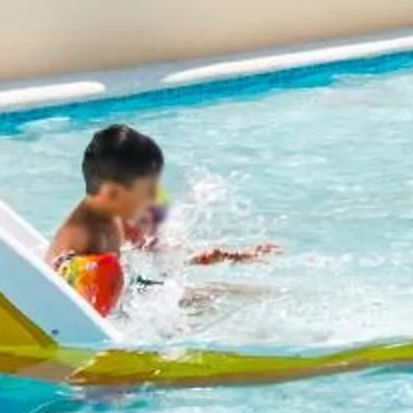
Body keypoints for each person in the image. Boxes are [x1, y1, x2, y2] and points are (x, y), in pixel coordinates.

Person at [46, 123, 269, 316]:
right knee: (214, 303)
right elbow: (68, 303)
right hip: (98, 298)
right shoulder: (89, 234)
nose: (153, 197)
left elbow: (162, 257)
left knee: (221, 294)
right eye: (147, 189)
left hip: (129, 292)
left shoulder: (113, 216)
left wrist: (227, 256)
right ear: (115, 191)